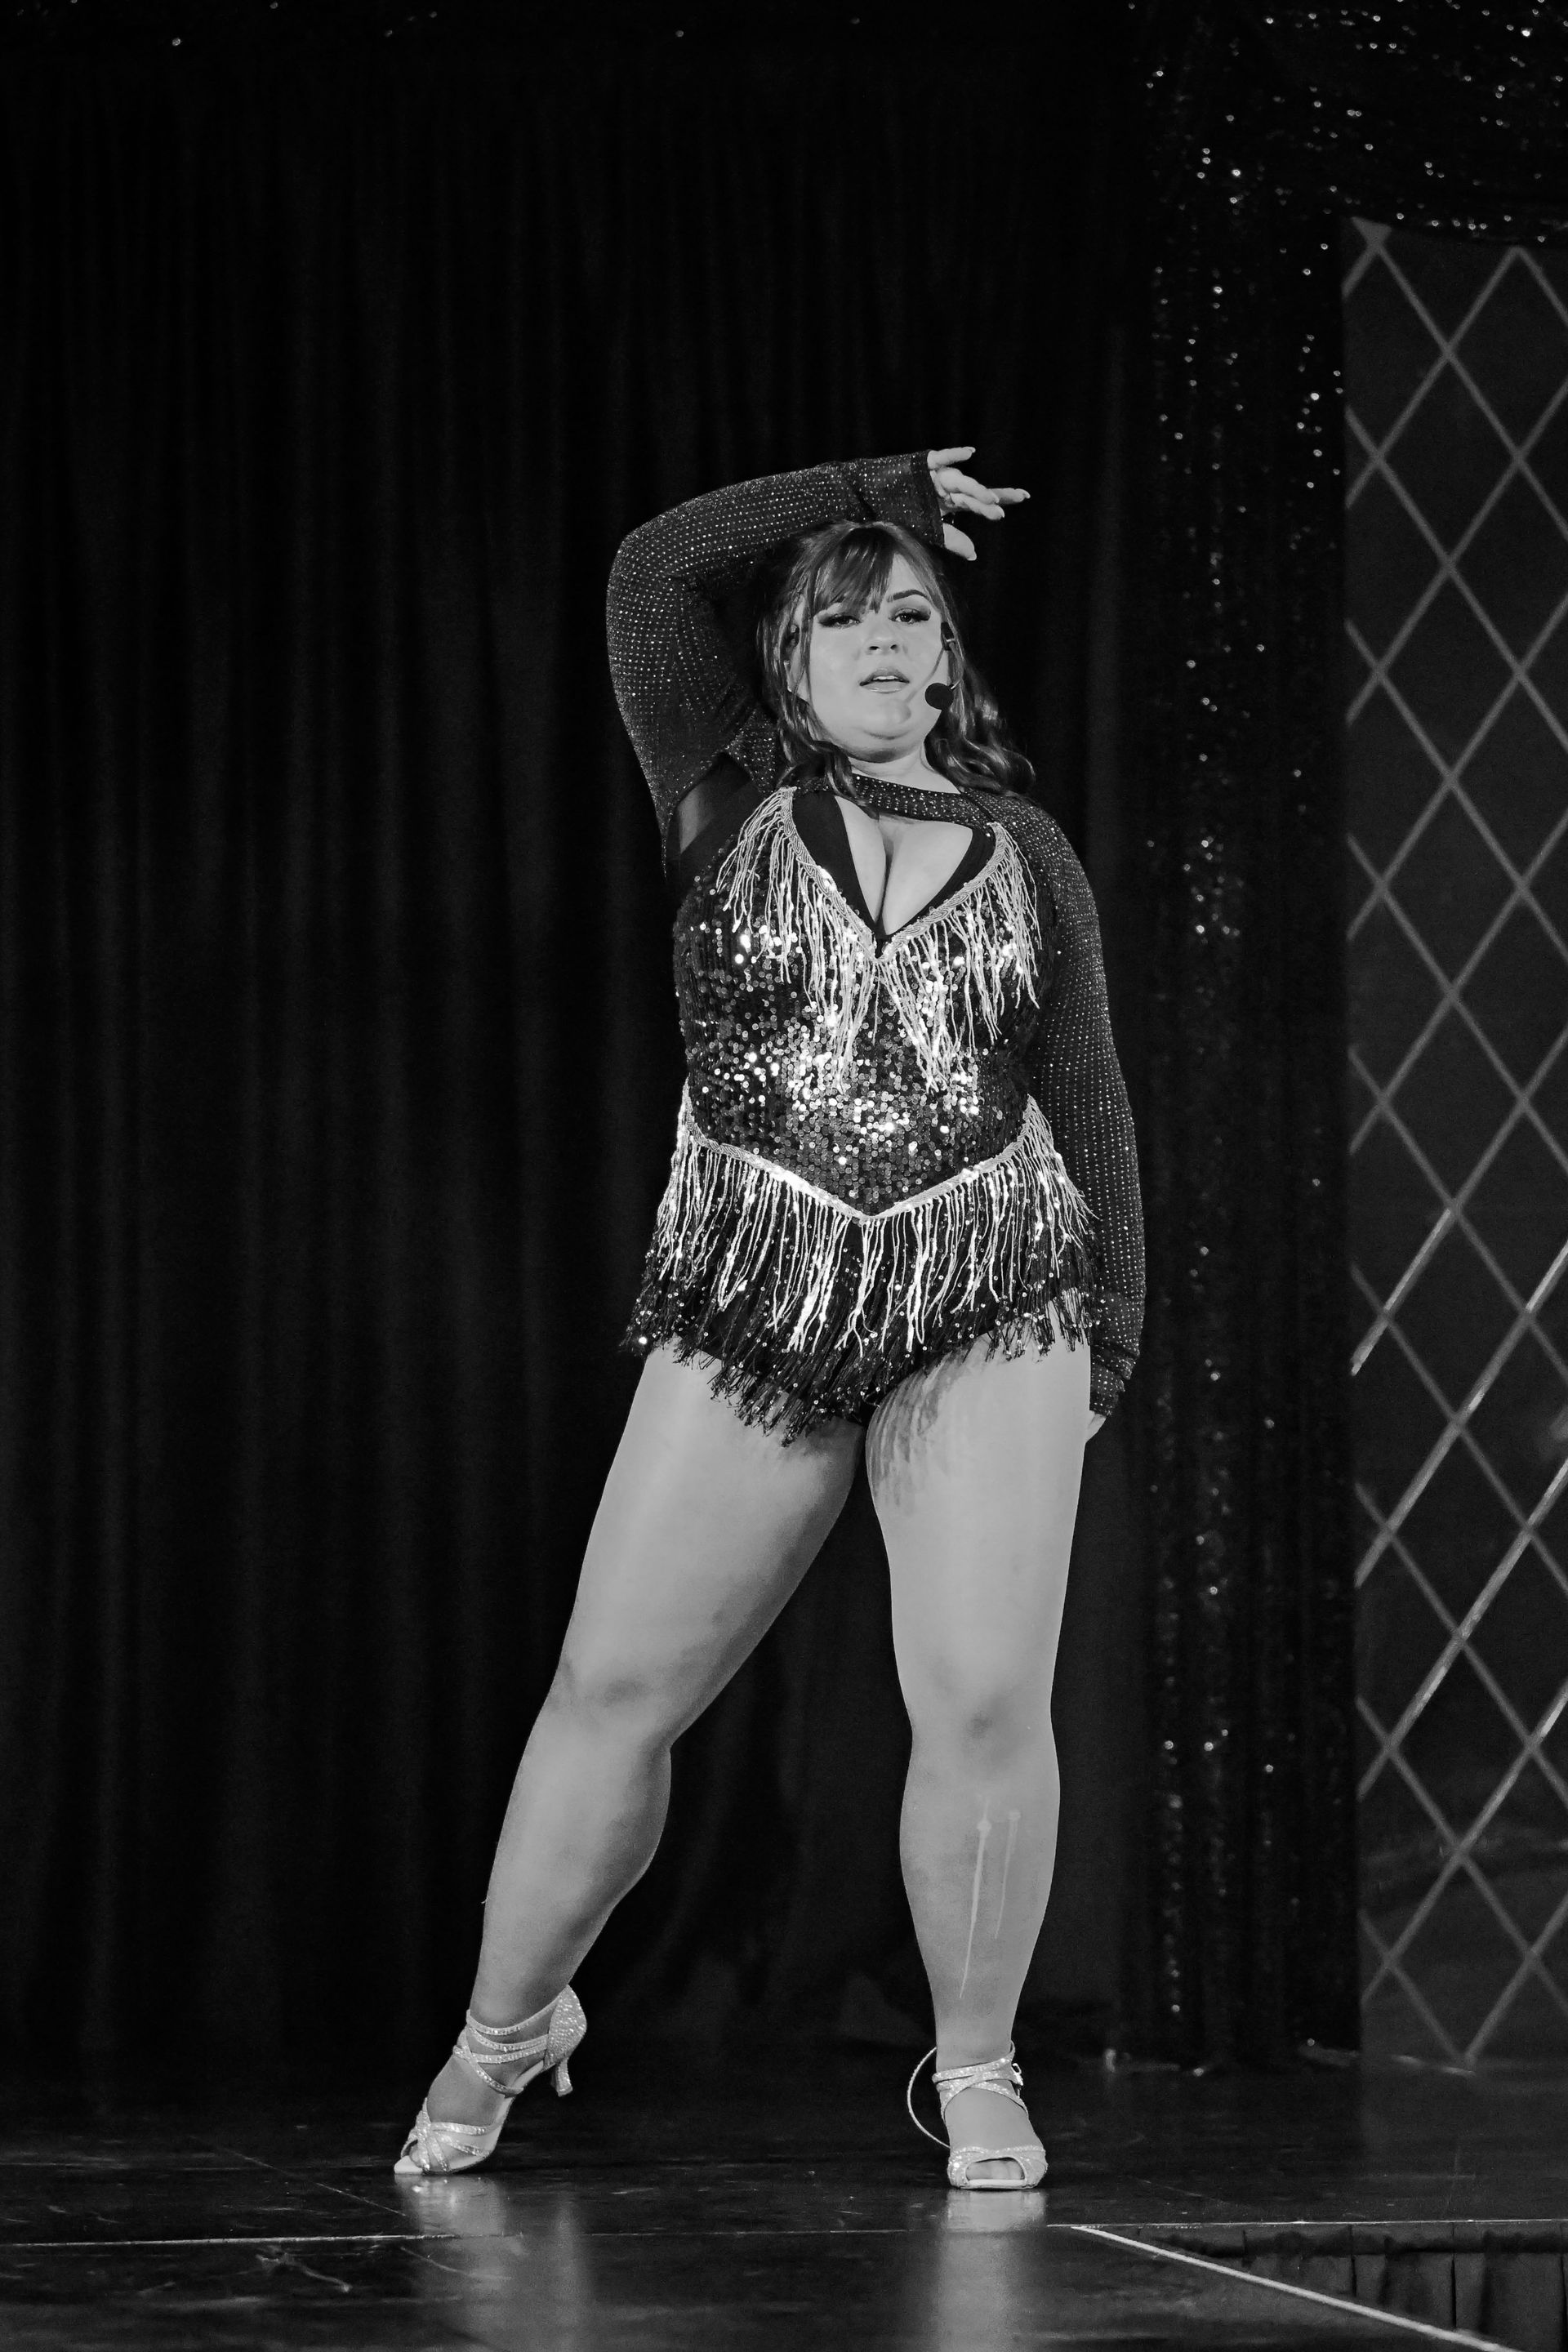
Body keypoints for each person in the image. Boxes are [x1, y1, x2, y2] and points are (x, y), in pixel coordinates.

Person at [395, 447, 1143, 2190]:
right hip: (758, 1286)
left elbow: (1091, 1102)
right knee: (613, 1688)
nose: (888, 638)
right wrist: (877, 485)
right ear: (787, 670)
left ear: (950, 665)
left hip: (994, 1290)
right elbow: (654, 569)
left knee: (979, 1695)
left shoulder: (1028, 851)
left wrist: (1106, 1339)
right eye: (844, 617)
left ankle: (975, 2066)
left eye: (914, 615)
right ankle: (509, 2028)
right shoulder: (719, 788)